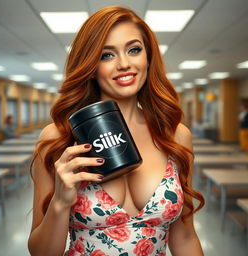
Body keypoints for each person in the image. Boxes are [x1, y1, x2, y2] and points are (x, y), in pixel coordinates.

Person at [28, 6, 205, 256]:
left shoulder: (175, 135)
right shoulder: (57, 138)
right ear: (90, 65)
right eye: (106, 55)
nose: (124, 64)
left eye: (134, 50)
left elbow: (185, 238)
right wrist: (60, 202)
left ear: (148, 57)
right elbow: (40, 252)